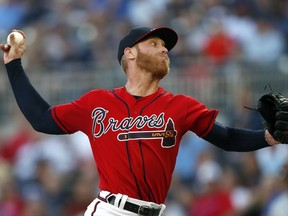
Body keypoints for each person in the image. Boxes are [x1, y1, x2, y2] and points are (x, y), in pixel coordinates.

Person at [0, 26, 284, 216]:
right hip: (110, 210)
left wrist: (269, 137)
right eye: (155, 43)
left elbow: (227, 138)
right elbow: (41, 119)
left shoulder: (180, 106)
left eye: (165, 46)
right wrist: (13, 65)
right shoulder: (97, 103)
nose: (164, 50)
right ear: (130, 53)